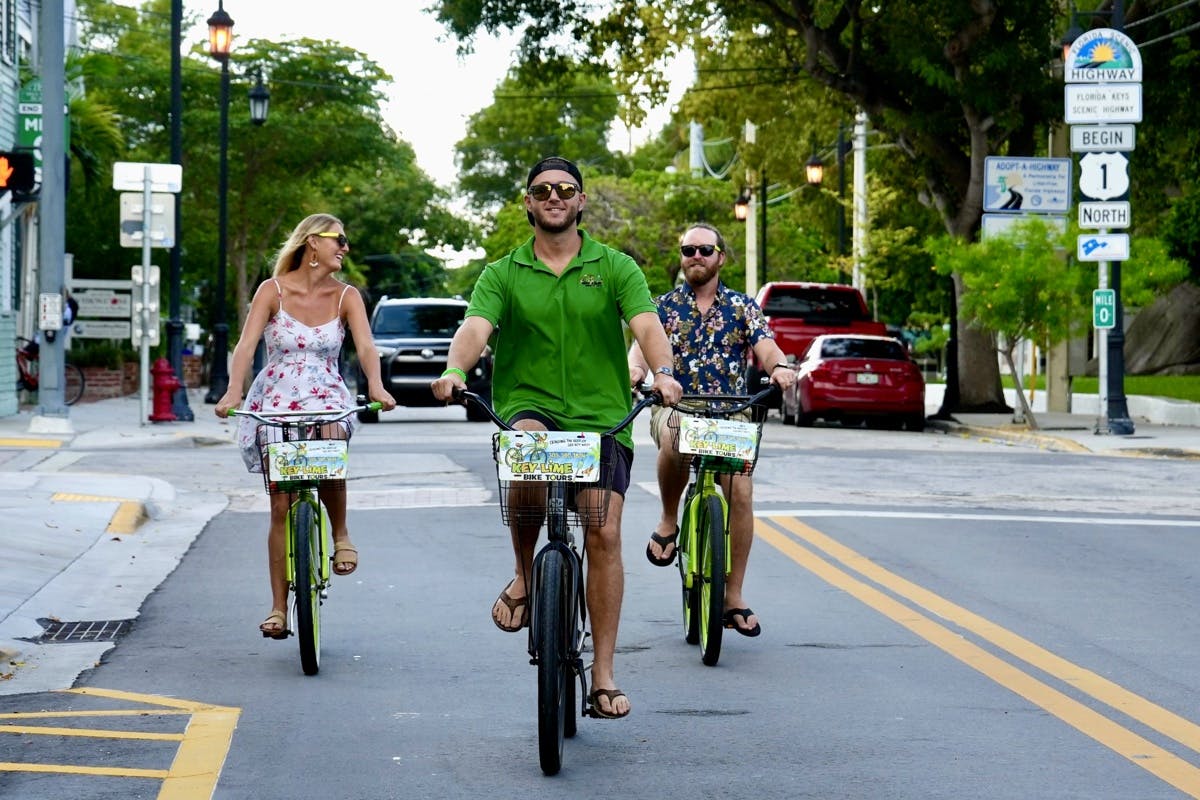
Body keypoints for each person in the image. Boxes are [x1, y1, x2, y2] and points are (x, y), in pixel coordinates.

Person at [430, 156, 681, 720]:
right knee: (524, 452)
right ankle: (525, 575)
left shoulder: (615, 266)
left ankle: (604, 674)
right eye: (542, 190)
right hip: (531, 405)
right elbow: (476, 327)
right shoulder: (503, 272)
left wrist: (664, 372)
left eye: (566, 189)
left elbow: (646, 325)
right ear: (528, 201)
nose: (554, 197)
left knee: (604, 531)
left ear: (581, 201)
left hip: (602, 415)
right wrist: (454, 370)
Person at [214, 213, 395, 639]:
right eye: (339, 240)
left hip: (328, 397)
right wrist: (233, 392)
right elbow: (246, 346)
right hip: (276, 400)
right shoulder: (272, 290)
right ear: (313, 241)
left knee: (330, 447)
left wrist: (376, 386)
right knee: (280, 506)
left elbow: (366, 347)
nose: (345, 248)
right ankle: (279, 608)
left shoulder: (347, 295)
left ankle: (341, 534)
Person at [627, 222, 796, 638]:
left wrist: (779, 368)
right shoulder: (662, 306)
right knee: (674, 436)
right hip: (677, 406)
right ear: (681, 258)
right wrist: (634, 372)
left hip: (730, 414)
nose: (696, 257)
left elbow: (766, 346)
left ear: (721, 257)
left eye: (705, 250)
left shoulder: (743, 307)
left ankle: (733, 595)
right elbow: (640, 351)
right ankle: (669, 520)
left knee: (741, 490)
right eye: (689, 250)